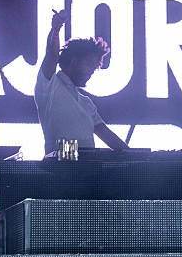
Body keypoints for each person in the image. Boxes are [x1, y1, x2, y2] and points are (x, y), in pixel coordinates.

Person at [34, 9, 130, 155]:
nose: (92, 71)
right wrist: (56, 29)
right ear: (74, 61)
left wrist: (142, 158)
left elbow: (108, 137)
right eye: (89, 64)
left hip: (87, 173)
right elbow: (52, 54)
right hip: (58, 172)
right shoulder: (49, 85)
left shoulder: (86, 103)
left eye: (94, 67)